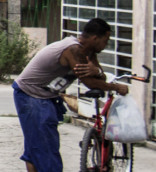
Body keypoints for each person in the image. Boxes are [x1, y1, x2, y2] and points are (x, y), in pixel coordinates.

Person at [12, 18, 129, 172]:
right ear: (95, 38)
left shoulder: (89, 53)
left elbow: (99, 77)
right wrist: (116, 87)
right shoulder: (73, 50)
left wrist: (98, 71)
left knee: (36, 148)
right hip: (32, 96)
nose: (106, 45)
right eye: (105, 41)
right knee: (46, 149)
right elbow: (89, 82)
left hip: (45, 96)